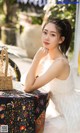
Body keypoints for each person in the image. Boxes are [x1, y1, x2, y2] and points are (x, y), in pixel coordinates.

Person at [24, 16, 80, 133]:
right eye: (45, 33)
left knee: (35, 128)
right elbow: (29, 81)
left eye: (53, 35)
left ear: (61, 39)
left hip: (70, 115)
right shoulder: (48, 57)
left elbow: (28, 87)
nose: (47, 38)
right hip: (58, 111)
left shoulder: (60, 63)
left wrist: (36, 59)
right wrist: (39, 59)